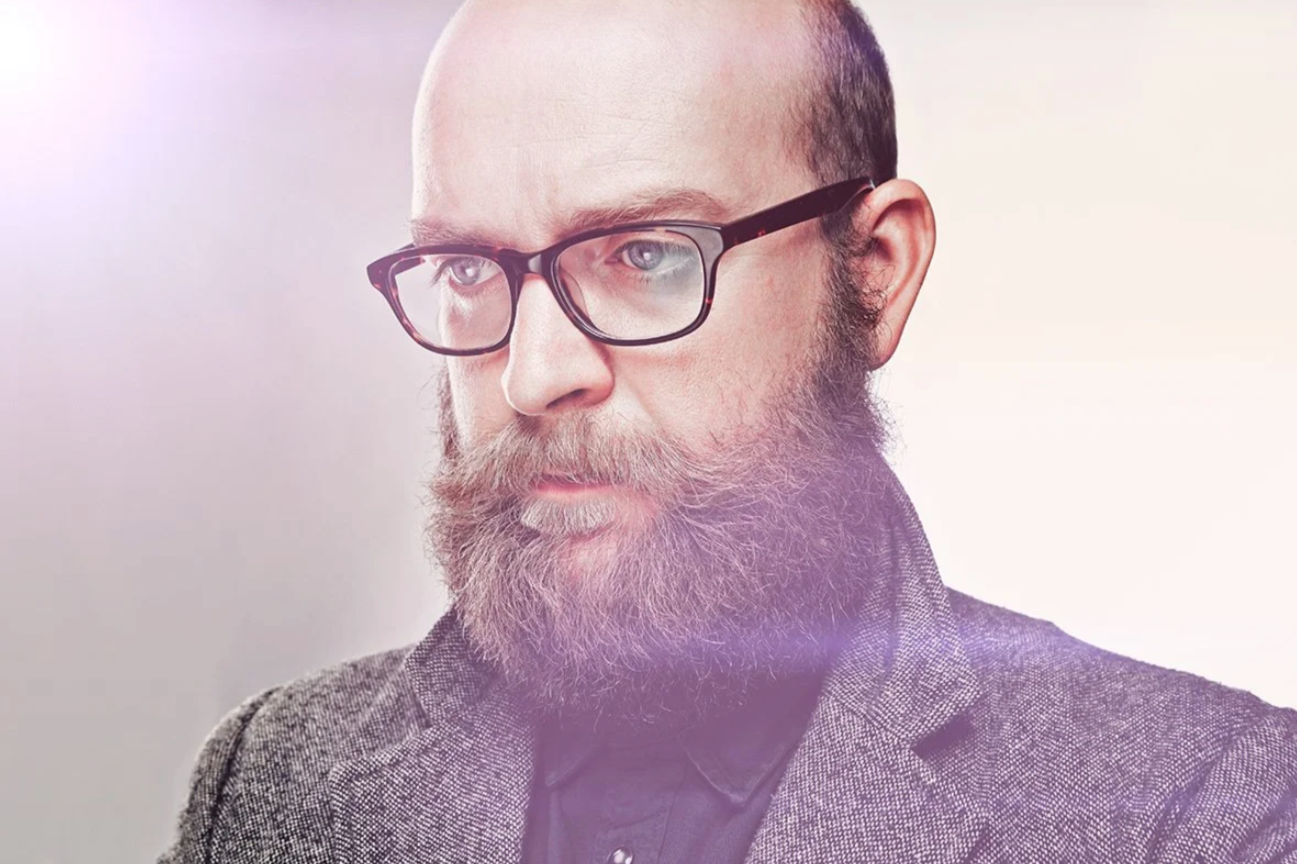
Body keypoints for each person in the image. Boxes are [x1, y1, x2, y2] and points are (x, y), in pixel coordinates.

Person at [159, 1, 1297, 862]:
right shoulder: (272, 783)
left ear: (874, 271)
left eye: (645, 255)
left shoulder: (1203, 811)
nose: (535, 371)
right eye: (468, 267)